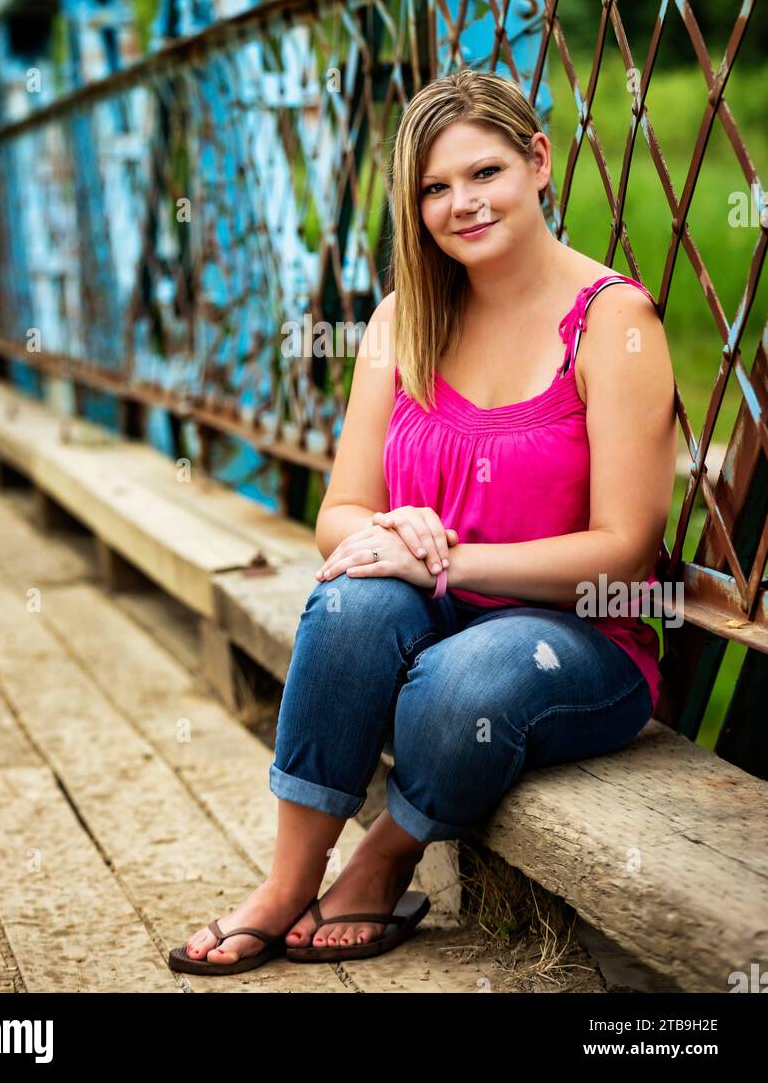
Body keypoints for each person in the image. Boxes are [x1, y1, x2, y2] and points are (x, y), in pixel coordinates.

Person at [171, 68, 677, 975]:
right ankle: (289, 881)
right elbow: (339, 515)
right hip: (435, 616)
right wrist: (393, 534)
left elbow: (625, 552)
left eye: (485, 173)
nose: (462, 204)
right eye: (434, 188)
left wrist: (448, 563)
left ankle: (385, 855)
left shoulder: (613, 322)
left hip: (580, 641)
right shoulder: (403, 322)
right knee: (349, 602)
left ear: (538, 161)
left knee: (461, 676)